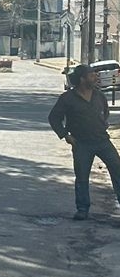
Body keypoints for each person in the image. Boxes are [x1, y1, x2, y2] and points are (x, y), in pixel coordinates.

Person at [48, 64, 120, 219]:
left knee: (117, 170)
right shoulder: (67, 98)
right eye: (92, 74)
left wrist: (101, 123)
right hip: (81, 143)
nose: (95, 77)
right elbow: (54, 117)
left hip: (102, 141)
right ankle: (82, 209)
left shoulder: (98, 95)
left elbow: (105, 113)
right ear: (82, 79)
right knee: (82, 177)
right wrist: (65, 135)